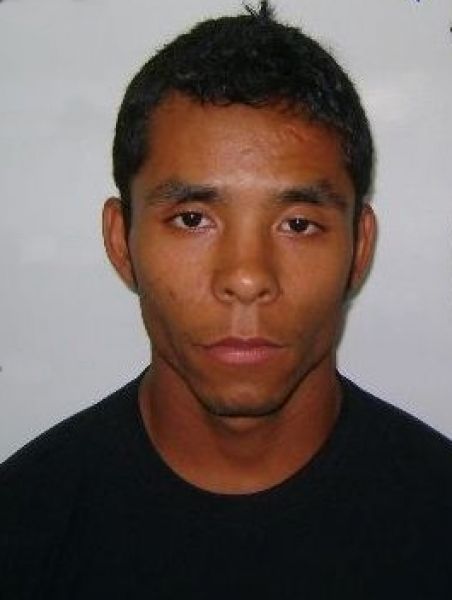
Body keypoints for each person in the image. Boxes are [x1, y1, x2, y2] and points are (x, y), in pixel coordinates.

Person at [1, 2, 452, 597]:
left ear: (359, 246)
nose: (246, 277)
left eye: (297, 224)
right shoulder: (21, 531)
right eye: (192, 218)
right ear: (121, 241)